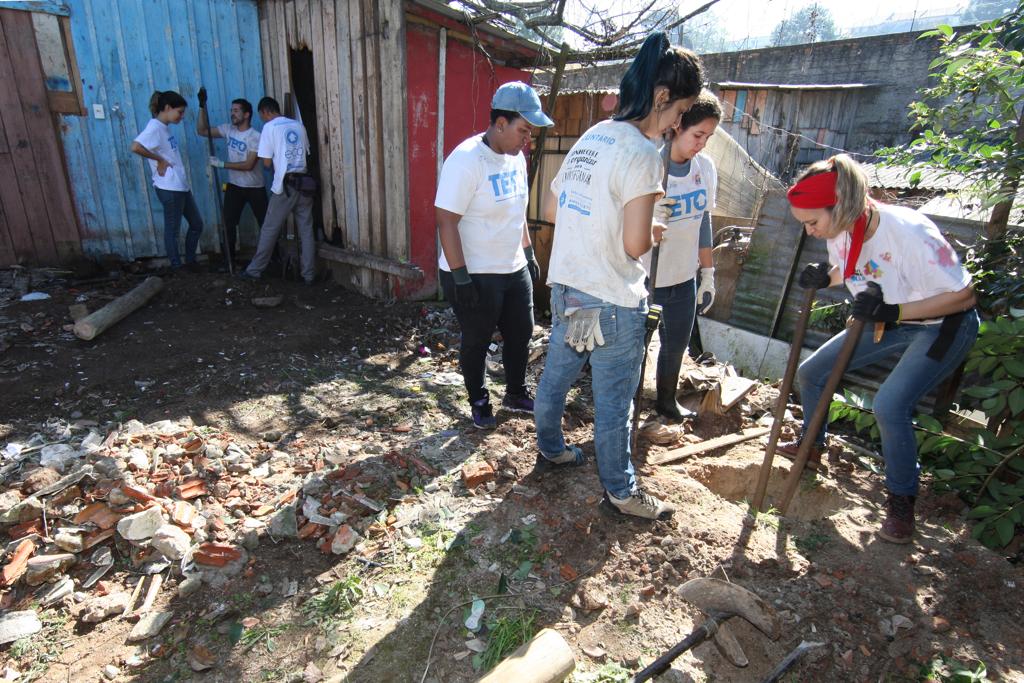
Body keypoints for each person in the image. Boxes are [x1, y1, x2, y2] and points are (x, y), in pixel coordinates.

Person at [534, 33, 704, 520]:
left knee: (557, 377)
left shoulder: (593, 136)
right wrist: (656, 224)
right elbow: (633, 246)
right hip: (611, 299)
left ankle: (550, 447)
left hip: (569, 289)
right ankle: (622, 490)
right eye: (680, 113)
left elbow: (553, 206)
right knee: (614, 404)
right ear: (662, 98)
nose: (677, 125)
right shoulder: (641, 153)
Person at [783, 153, 979, 544]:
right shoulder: (842, 228)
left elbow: (964, 297)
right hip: (889, 319)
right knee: (812, 373)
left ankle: (901, 502)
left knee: (889, 405)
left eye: (812, 222)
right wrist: (826, 277)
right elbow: (856, 270)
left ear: (838, 206)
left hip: (942, 325)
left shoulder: (908, 232)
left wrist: (893, 309)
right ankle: (811, 447)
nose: (810, 232)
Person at [435, 82, 554, 429]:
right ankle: (479, 398)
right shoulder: (466, 160)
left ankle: (515, 392)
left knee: (521, 331)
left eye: (529, 132)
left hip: (511, 266)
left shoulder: (516, 159)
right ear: (500, 124)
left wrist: (528, 253)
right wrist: (460, 277)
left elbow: (517, 213)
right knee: (477, 338)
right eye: (523, 129)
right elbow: (446, 221)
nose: (526, 139)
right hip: (474, 271)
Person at [642, 92, 721, 421]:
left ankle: (665, 401)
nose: (702, 144)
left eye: (708, 137)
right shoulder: (650, 166)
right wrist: (649, 215)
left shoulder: (705, 168)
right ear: (676, 128)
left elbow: (703, 220)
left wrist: (708, 273)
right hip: (647, 277)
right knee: (636, 348)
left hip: (683, 278)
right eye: (697, 135)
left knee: (675, 346)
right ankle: (626, 406)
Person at [240, 97, 315, 284]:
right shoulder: (299, 126)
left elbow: (266, 163)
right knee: (306, 230)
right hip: (304, 184)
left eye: (262, 116)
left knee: (269, 229)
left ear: (265, 112)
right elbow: (307, 153)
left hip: (285, 185)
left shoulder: (270, 128)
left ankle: (255, 271)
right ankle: (309, 275)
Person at [130, 90, 204, 272]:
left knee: (196, 224)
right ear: (167, 108)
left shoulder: (164, 128)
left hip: (180, 185)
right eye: (179, 112)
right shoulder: (154, 127)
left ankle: (190, 261)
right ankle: (177, 266)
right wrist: (159, 160)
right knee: (173, 230)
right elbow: (136, 147)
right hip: (168, 187)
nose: (182, 116)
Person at [197, 95, 268, 268]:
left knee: (265, 224)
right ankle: (229, 261)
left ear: (247, 114)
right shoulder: (228, 130)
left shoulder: (255, 137)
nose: (232, 114)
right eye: (231, 111)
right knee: (228, 223)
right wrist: (201, 106)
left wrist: (222, 164)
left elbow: (249, 165)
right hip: (234, 187)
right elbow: (202, 131)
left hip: (255, 188)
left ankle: (272, 259)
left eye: (236, 111)